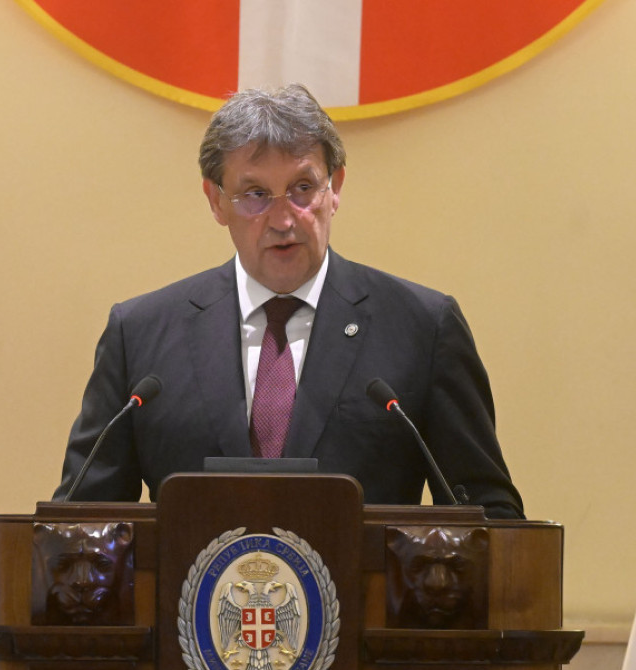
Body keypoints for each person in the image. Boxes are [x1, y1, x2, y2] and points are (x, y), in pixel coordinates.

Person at [53, 83, 523, 519]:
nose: (283, 219)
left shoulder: (423, 328)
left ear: (335, 188)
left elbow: (491, 518)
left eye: (302, 188)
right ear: (216, 201)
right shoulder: (140, 334)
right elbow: (78, 525)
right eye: (255, 194)